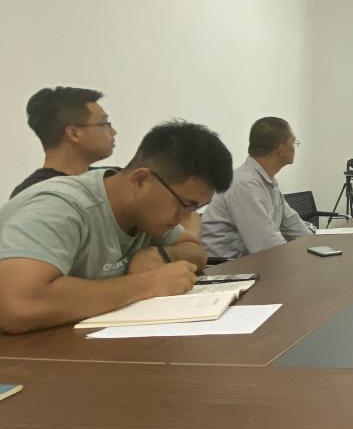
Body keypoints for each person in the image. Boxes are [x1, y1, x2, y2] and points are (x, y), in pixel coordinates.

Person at [0, 121, 233, 335]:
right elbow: (18, 305)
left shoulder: (145, 216)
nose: (186, 217)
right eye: (185, 205)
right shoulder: (58, 207)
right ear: (140, 180)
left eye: (196, 208)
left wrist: (159, 253)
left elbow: (194, 251)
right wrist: (148, 284)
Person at [200, 117, 312, 259]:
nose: (295, 147)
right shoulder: (244, 184)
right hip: (223, 267)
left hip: (249, 263)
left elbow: (293, 225)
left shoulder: (267, 182)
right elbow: (267, 246)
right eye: (293, 142)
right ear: (282, 149)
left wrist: (318, 247)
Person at [10, 86, 117, 198]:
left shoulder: (110, 178)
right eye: (105, 123)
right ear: (74, 133)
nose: (114, 132)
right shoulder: (36, 195)